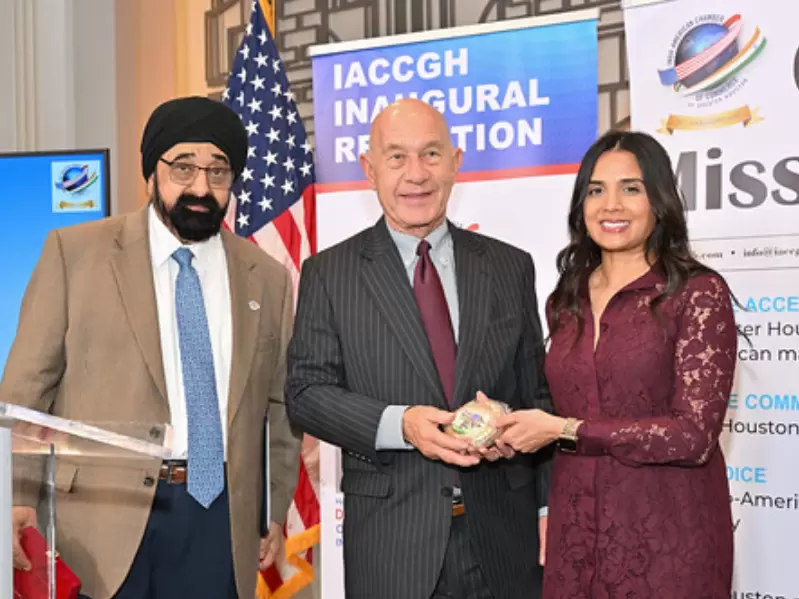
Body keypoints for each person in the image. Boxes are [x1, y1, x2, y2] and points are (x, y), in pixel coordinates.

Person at [1, 96, 302, 599]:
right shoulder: (75, 254)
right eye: (183, 168)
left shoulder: (266, 278)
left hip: (218, 520)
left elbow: (279, 407)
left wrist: (271, 509)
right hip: (98, 522)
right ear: (151, 173)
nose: (201, 188)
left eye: (218, 171)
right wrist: (17, 495)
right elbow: (26, 391)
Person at [285, 98, 552, 599]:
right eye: (396, 157)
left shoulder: (510, 266)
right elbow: (306, 394)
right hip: (392, 545)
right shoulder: (330, 274)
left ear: (455, 162)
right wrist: (401, 424)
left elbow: (536, 392)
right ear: (369, 169)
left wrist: (546, 505)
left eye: (431, 154)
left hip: (504, 539)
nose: (416, 174)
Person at [493, 130, 737, 598]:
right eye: (595, 190)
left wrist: (567, 430)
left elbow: (694, 436)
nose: (611, 205)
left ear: (659, 200)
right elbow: (558, 408)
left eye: (631, 188)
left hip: (667, 538)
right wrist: (506, 424)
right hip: (576, 535)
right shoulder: (566, 300)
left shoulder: (696, 293)